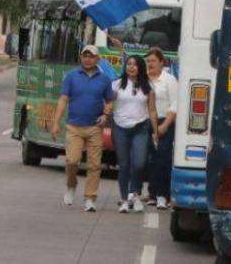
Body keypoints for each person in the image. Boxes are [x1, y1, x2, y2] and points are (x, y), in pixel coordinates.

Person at [50, 44, 116, 213]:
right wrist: (56, 123)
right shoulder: (71, 76)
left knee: (94, 165)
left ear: (97, 59)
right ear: (81, 57)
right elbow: (63, 99)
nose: (87, 58)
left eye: (91, 56)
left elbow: (109, 101)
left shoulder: (104, 79)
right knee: (72, 160)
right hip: (74, 126)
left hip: (95, 127)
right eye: (85, 55)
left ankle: (90, 198)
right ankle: (71, 186)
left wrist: (106, 114)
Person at [111, 54, 158, 213]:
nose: (131, 67)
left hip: (141, 127)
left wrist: (155, 132)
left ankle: (136, 195)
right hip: (120, 127)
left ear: (140, 68)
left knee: (139, 163)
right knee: (124, 165)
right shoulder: (117, 84)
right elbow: (108, 103)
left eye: (135, 65)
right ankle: (124, 199)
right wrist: (106, 110)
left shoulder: (148, 87)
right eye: (129, 64)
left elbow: (152, 110)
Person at [145, 47, 179, 209]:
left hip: (164, 121)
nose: (150, 64)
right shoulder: (143, 79)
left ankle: (163, 194)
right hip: (145, 122)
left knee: (162, 159)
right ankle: (152, 194)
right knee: (149, 159)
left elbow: (175, 103)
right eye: (148, 61)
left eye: (153, 61)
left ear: (161, 62)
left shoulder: (169, 79)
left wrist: (165, 125)